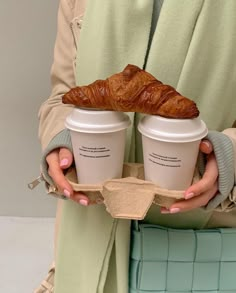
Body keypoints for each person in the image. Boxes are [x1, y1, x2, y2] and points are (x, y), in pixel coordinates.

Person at [36, 0, 236, 292]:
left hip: (201, 253)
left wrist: (229, 153)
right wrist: (65, 137)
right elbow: (64, 94)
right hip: (87, 248)